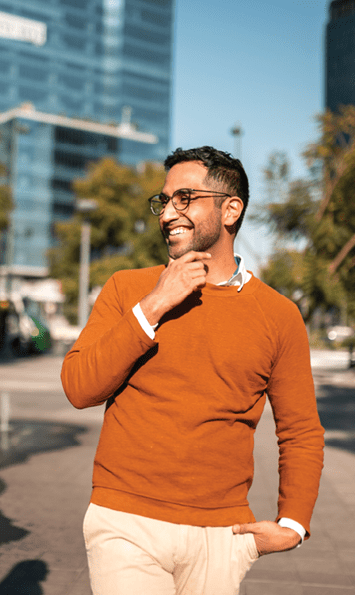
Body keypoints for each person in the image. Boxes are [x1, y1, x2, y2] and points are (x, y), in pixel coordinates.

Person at [61, 146, 324, 595]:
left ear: (230, 209)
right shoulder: (128, 288)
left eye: (184, 198)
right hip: (125, 522)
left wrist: (294, 522)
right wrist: (155, 304)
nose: (167, 213)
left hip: (222, 535)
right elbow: (80, 388)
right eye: (164, 200)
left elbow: (300, 429)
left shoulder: (279, 315)